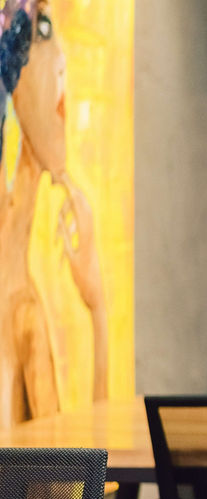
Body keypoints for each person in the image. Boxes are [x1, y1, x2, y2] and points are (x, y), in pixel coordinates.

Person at [0, 0, 107, 429]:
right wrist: (99, 311)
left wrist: (97, 305)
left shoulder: (20, 303)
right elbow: (75, 486)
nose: (62, 61)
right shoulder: (19, 308)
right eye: (41, 29)